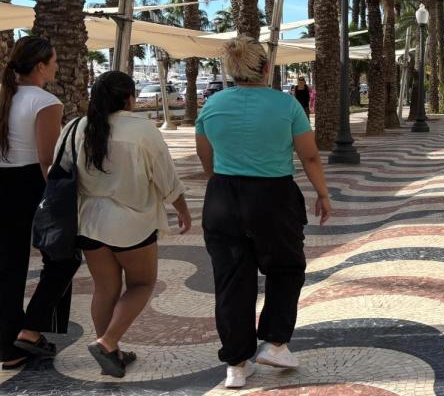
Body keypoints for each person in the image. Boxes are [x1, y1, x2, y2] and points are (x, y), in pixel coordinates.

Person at [196, 37, 332, 389]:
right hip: (274, 196)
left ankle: (236, 366)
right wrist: (322, 193)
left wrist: (223, 184)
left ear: (231, 69)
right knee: (286, 268)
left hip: (223, 196)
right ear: (266, 68)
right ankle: (274, 342)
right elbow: (310, 156)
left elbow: (205, 159)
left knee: (231, 281)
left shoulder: (211, 107)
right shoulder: (286, 106)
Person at [62, 71, 192, 378]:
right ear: (129, 97)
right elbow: (165, 177)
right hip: (132, 223)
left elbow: (59, 171)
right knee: (141, 284)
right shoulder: (141, 131)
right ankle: (107, 343)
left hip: (90, 222)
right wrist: (182, 210)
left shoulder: (77, 127)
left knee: (104, 289)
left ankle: (112, 352)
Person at [0, 36, 81, 371]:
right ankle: (29, 331)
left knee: (8, 266)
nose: (57, 66)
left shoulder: (5, 95)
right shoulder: (45, 102)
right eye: (55, 61)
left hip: (3, 183)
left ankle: (10, 345)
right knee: (63, 259)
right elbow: (47, 161)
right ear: (39, 66)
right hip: (29, 185)